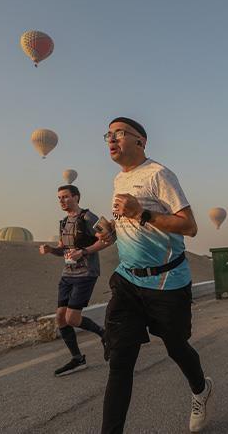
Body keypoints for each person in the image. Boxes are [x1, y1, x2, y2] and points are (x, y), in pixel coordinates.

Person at [97, 117, 213, 434]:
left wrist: (141, 213)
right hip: (128, 282)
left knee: (176, 347)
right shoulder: (118, 180)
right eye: (108, 134)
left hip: (166, 281)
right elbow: (132, 223)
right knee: (120, 362)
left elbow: (189, 226)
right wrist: (114, 228)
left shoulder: (159, 174)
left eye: (119, 133)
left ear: (141, 141)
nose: (111, 139)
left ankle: (201, 389)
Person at [39, 185, 112, 377]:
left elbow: (108, 239)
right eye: (59, 198)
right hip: (67, 274)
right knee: (60, 318)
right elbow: (63, 249)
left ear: (76, 197)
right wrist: (50, 250)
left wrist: (84, 251)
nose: (61, 201)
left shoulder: (89, 218)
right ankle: (77, 359)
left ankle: (104, 334)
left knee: (72, 318)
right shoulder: (63, 222)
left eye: (65, 197)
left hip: (86, 273)